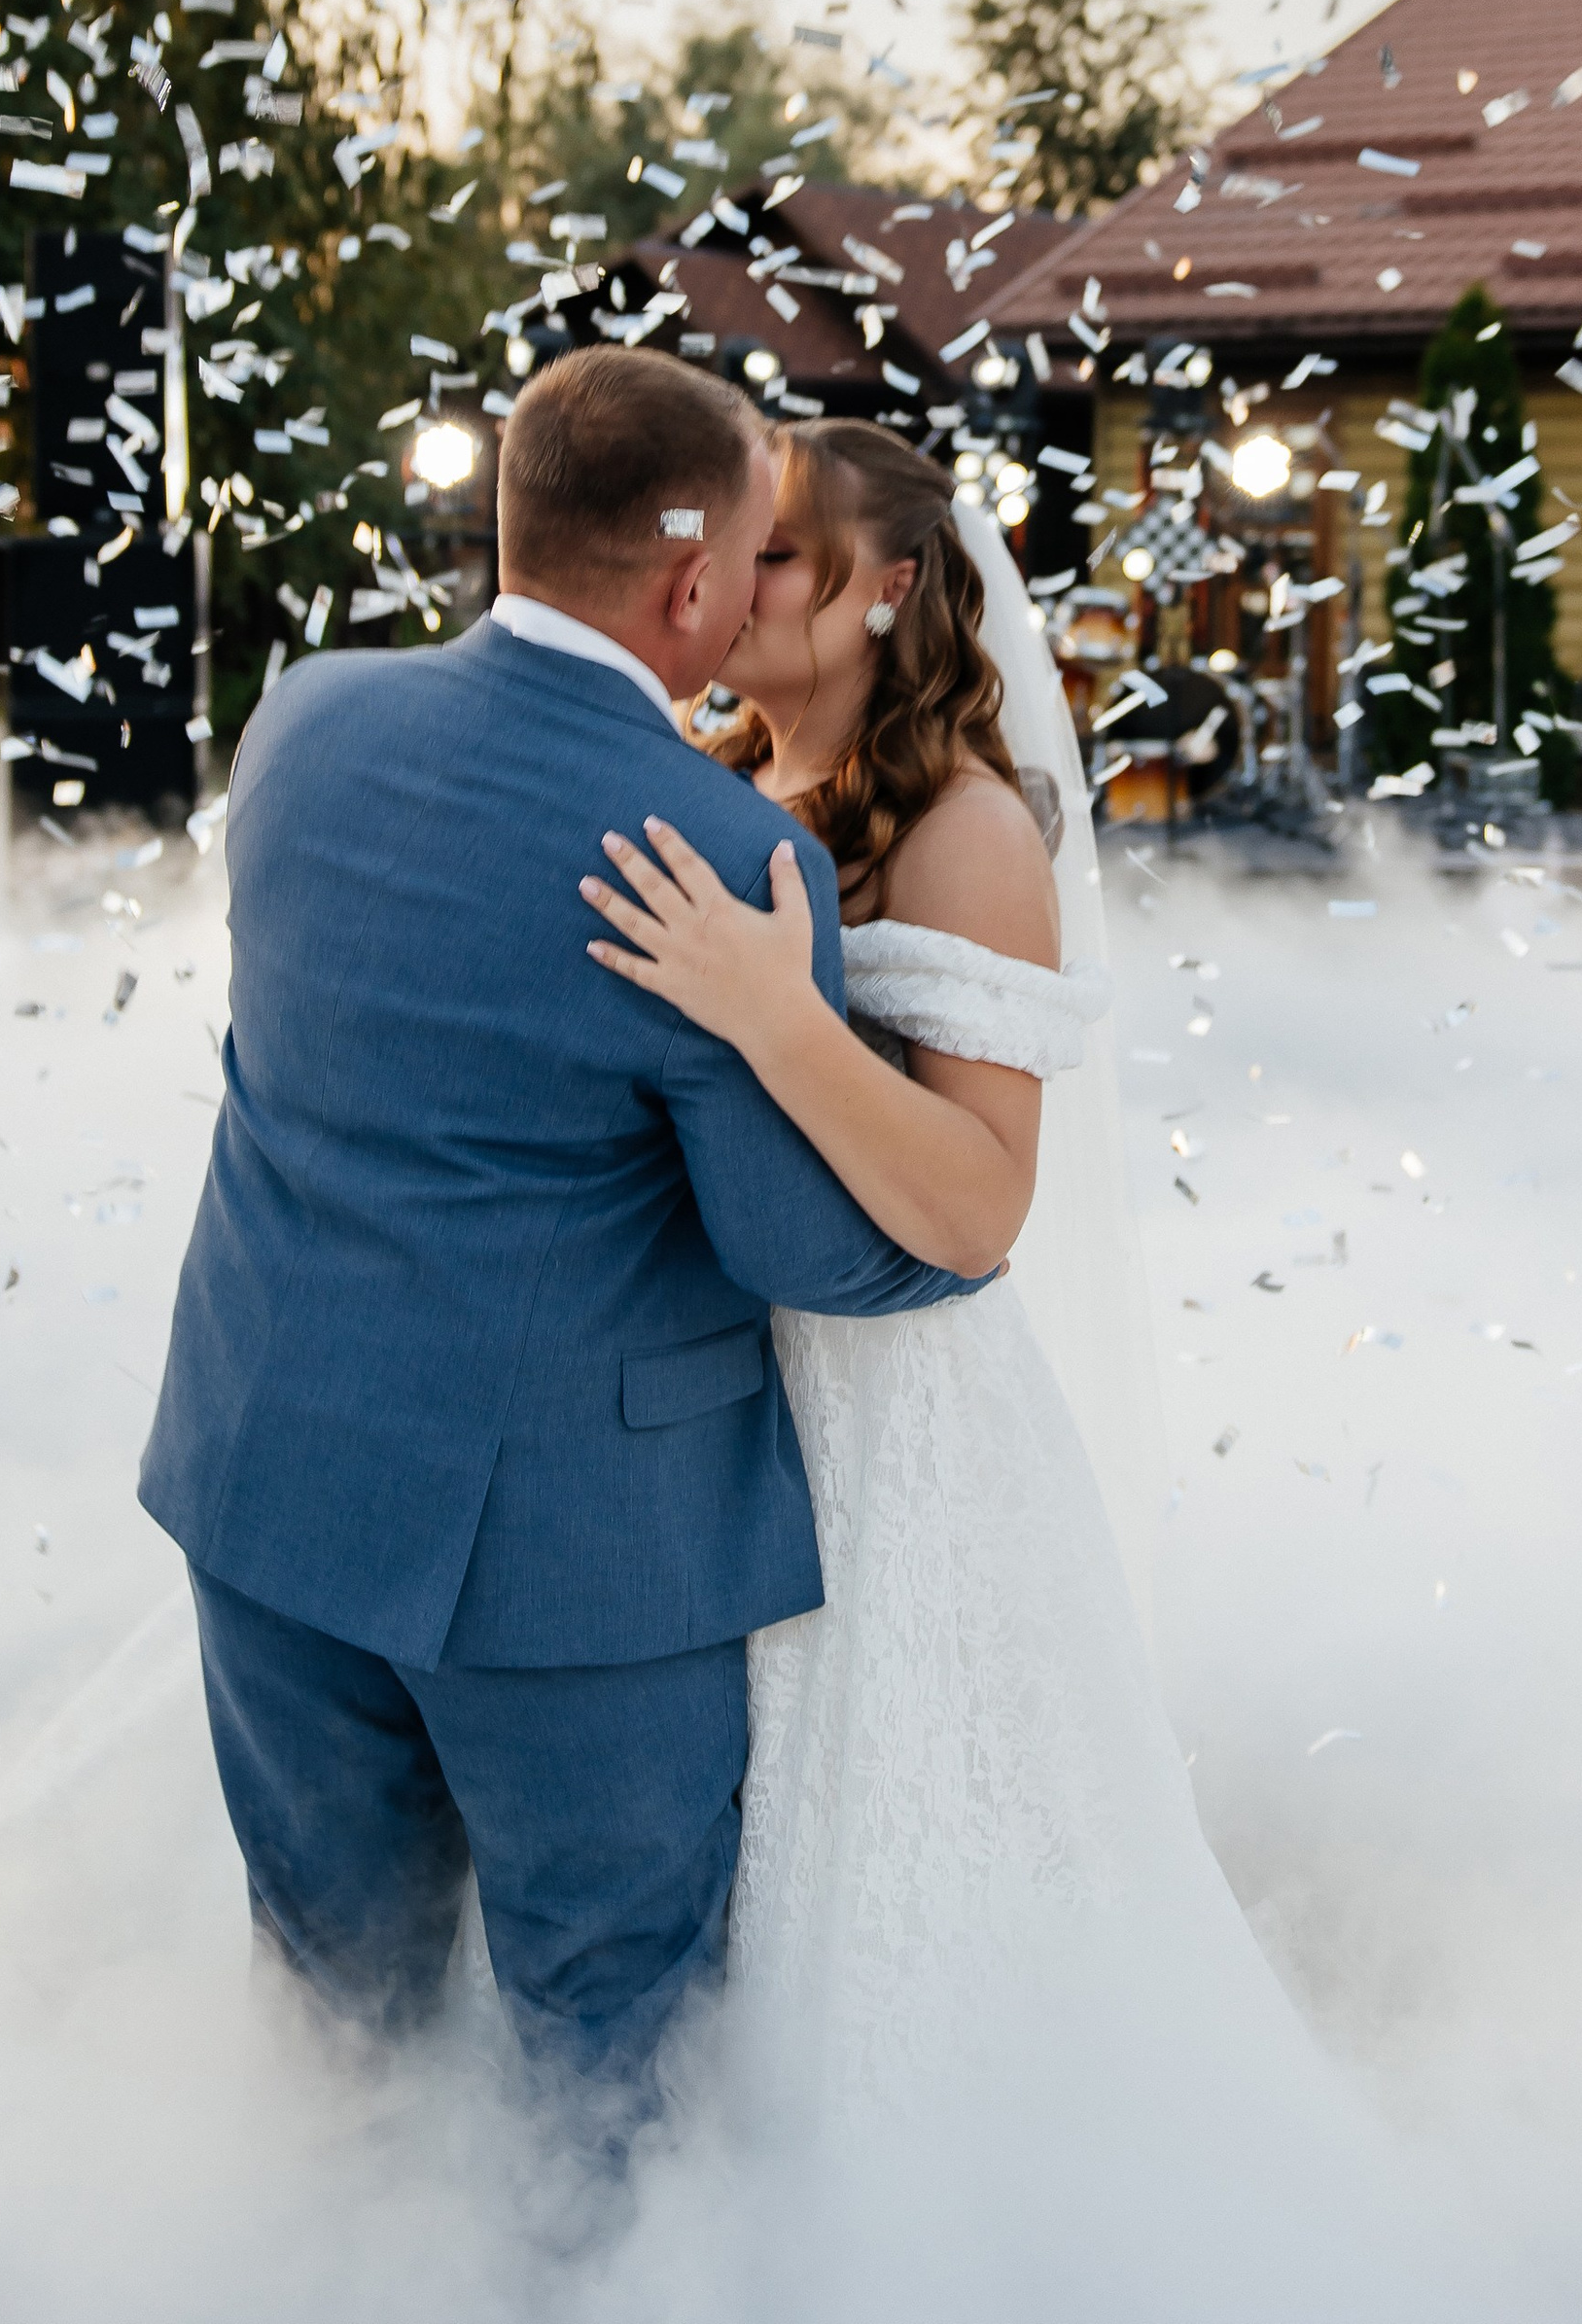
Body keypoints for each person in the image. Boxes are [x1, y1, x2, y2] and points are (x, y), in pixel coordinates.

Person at [136, 351, 984, 2157]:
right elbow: (807, 1254)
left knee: (333, 2027)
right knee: (614, 2071)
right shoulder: (724, 854)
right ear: (690, 589)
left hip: (267, 1487)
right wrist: (967, 1243)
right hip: (569, 1573)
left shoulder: (303, 721)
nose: (761, 593)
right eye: (754, 560)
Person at [577, 421, 1379, 2212]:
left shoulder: (965, 831)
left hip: (894, 1437)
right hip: (704, 1404)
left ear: (897, 590)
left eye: (783, 556)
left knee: (892, 1865)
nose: (733, 580)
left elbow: (978, 1204)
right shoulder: (707, 778)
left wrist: (778, 1018)